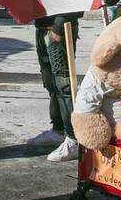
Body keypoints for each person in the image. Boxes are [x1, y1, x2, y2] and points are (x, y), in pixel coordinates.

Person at [26, 9, 83, 162]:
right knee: (51, 82)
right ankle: (59, 130)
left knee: (64, 84)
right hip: (42, 27)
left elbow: (75, 1)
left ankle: (74, 138)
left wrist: (58, 26)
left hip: (59, 29)